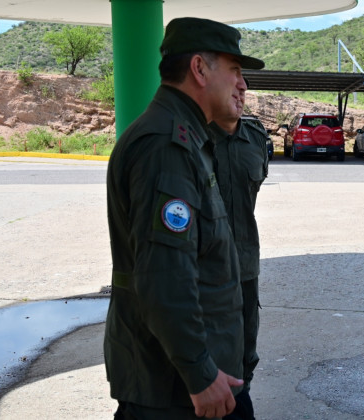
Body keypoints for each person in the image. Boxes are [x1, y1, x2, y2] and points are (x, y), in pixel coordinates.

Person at [104, 17, 264, 420]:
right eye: (235, 70)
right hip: (176, 389)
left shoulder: (188, 138)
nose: (242, 85)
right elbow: (164, 276)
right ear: (198, 68)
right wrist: (199, 374)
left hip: (196, 376)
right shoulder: (166, 146)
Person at [210, 79, 269, 420]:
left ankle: (239, 398)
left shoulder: (255, 136)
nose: (241, 88)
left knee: (246, 350)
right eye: (230, 80)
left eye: (243, 84)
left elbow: (252, 193)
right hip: (204, 272)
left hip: (245, 264)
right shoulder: (192, 139)